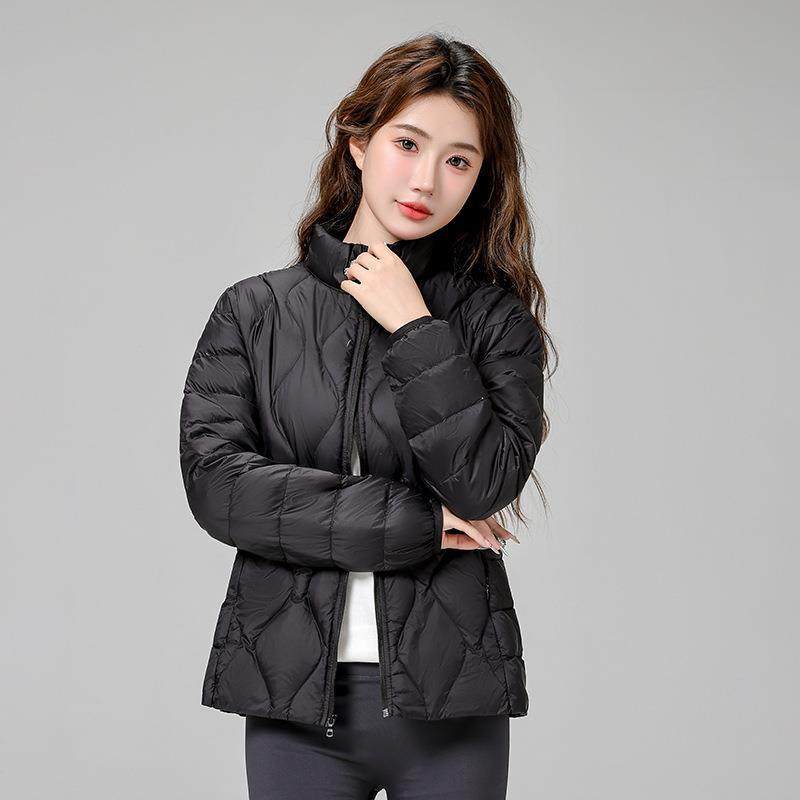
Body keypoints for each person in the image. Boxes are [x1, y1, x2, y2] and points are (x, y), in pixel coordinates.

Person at [179, 32, 554, 800]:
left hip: (452, 698)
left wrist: (415, 326)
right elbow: (220, 488)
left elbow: (481, 485)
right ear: (358, 142)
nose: (426, 180)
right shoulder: (254, 312)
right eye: (407, 144)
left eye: (458, 160)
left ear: (480, 178)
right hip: (293, 698)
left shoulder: (493, 322)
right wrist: (415, 524)